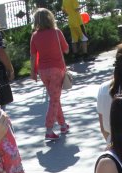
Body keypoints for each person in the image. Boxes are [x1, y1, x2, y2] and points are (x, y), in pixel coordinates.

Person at [30, 8, 69, 141]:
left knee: (54, 98)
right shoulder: (56, 32)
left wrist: (33, 71)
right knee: (54, 99)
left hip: (43, 70)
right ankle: (49, 129)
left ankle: (63, 125)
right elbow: (66, 49)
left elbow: (33, 56)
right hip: (56, 69)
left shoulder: (35, 36)